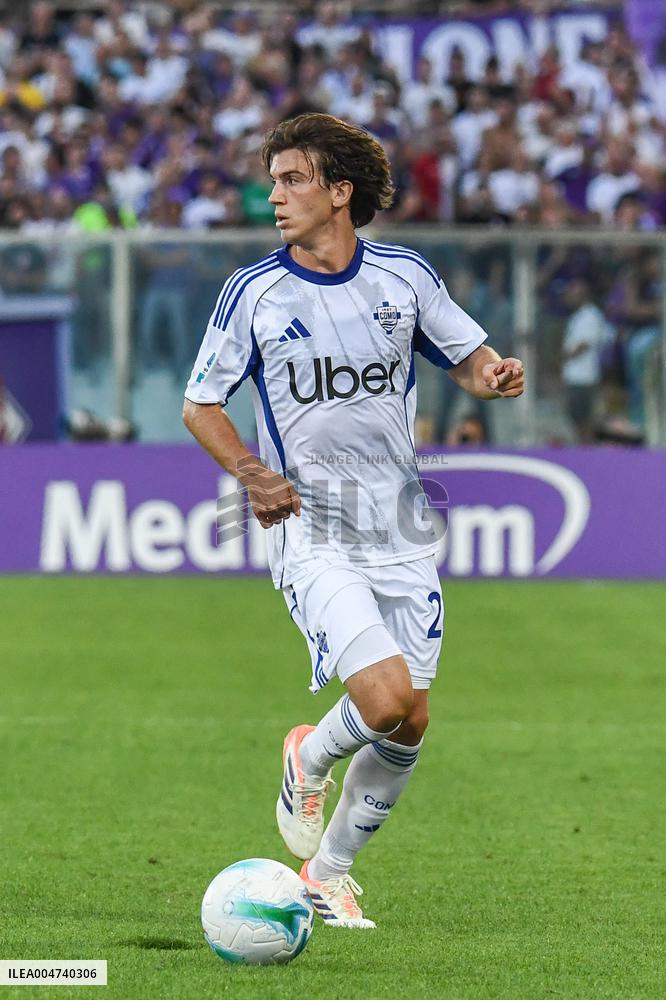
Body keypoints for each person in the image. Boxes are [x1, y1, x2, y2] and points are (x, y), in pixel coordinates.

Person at [183, 113, 524, 928]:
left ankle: (328, 874)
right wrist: (254, 473)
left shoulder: (404, 276)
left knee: (411, 718)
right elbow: (200, 405)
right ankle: (309, 751)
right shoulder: (255, 293)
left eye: (293, 178)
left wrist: (493, 375)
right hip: (310, 520)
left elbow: (466, 357)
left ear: (341, 192)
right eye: (273, 180)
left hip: (399, 523)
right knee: (381, 696)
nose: (275, 195)